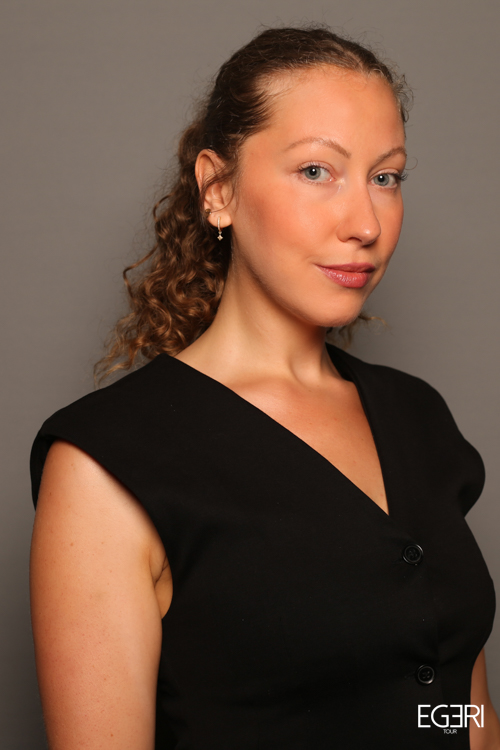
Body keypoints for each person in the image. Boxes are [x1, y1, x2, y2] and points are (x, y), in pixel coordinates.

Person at [29, 25, 499, 750]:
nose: (365, 224)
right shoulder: (106, 463)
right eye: (316, 171)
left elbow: (462, 712)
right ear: (218, 190)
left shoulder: (418, 417)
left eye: (386, 178)